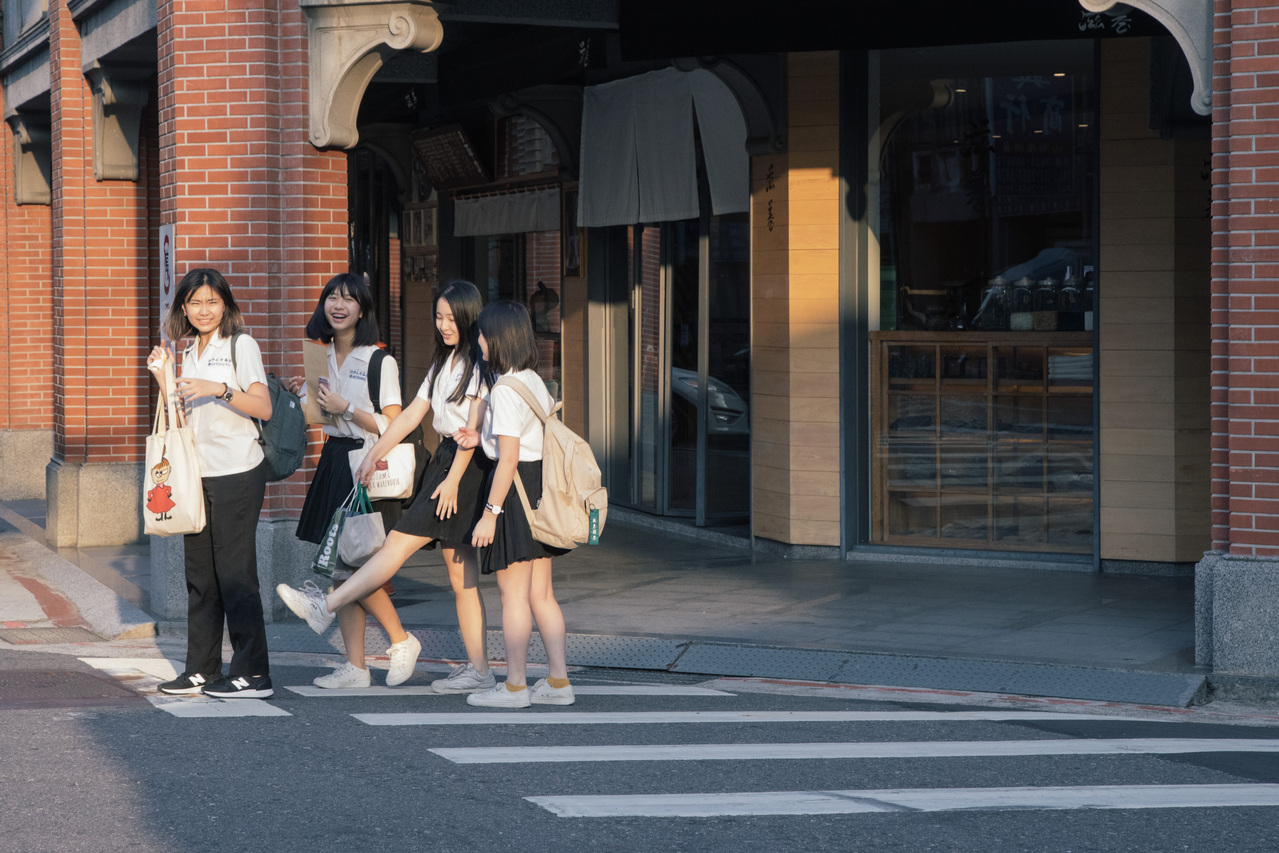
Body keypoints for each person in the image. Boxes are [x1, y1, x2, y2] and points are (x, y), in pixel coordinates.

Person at [277, 280, 497, 695]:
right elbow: (412, 416)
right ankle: (479, 669)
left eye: (452, 318)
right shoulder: (444, 360)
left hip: (463, 468)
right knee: (458, 574)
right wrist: (373, 452)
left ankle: (325, 606)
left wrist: (451, 481)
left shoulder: (476, 364)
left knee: (399, 548)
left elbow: (472, 429)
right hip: (444, 464)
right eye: (439, 316)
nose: (444, 325)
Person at [287, 272, 420, 688]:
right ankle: (356, 667)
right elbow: (321, 419)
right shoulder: (319, 355)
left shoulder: (380, 360)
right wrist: (307, 398)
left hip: (369, 465)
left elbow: (395, 424)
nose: (338, 305)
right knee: (341, 568)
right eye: (331, 297)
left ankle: (400, 641)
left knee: (359, 563)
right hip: (334, 460)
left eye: (348, 299)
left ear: (362, 310)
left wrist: (347, 408)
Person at [150, 268, 275, 699]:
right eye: (195, 303)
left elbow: (264, 406)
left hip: (237, 469)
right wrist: (164, 381)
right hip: (197, 471)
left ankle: (253, 673)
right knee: (200, 575)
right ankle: (201, 668)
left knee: (235, 574)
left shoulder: (242, 345)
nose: (204, 311)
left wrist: (218, 387)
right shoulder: (187, 351)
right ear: (183, 307)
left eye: (212, 302)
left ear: (226, 304)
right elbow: (179, 416)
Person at [456, 300, 573, 708]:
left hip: (514, 494)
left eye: (483, 334)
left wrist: (489, 515)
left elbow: (507, 458)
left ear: (499, 338)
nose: (479, 341)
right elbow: (519, 441)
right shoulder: (531, 380)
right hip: (537, 488)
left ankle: (516, 687)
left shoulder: (504, 389)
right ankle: (559, 683)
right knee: (542, 594)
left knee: (513, 596)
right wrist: (480, 439)